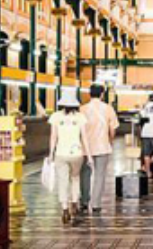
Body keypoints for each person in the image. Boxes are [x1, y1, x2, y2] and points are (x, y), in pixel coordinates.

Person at [47, 90, 88, 223]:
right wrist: (89, 155)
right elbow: (84, 138)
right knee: (75, 178)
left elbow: (53, 137)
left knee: (63, 181)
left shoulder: (55, 117)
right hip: (77, 153)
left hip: (61, 153)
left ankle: (65, 209)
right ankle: (74, 202)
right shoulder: (80, 117)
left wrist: (50, 153)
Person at [81, 84, 118, 214]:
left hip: (85, 148)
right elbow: (112, 129)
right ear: (102, 94)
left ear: (89, 94)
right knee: (100, 175)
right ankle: (96, 203)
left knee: (85, 174)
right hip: (102, 146)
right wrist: (110, 142)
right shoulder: (108, 109)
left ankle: (84, 201)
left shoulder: (82, 109)